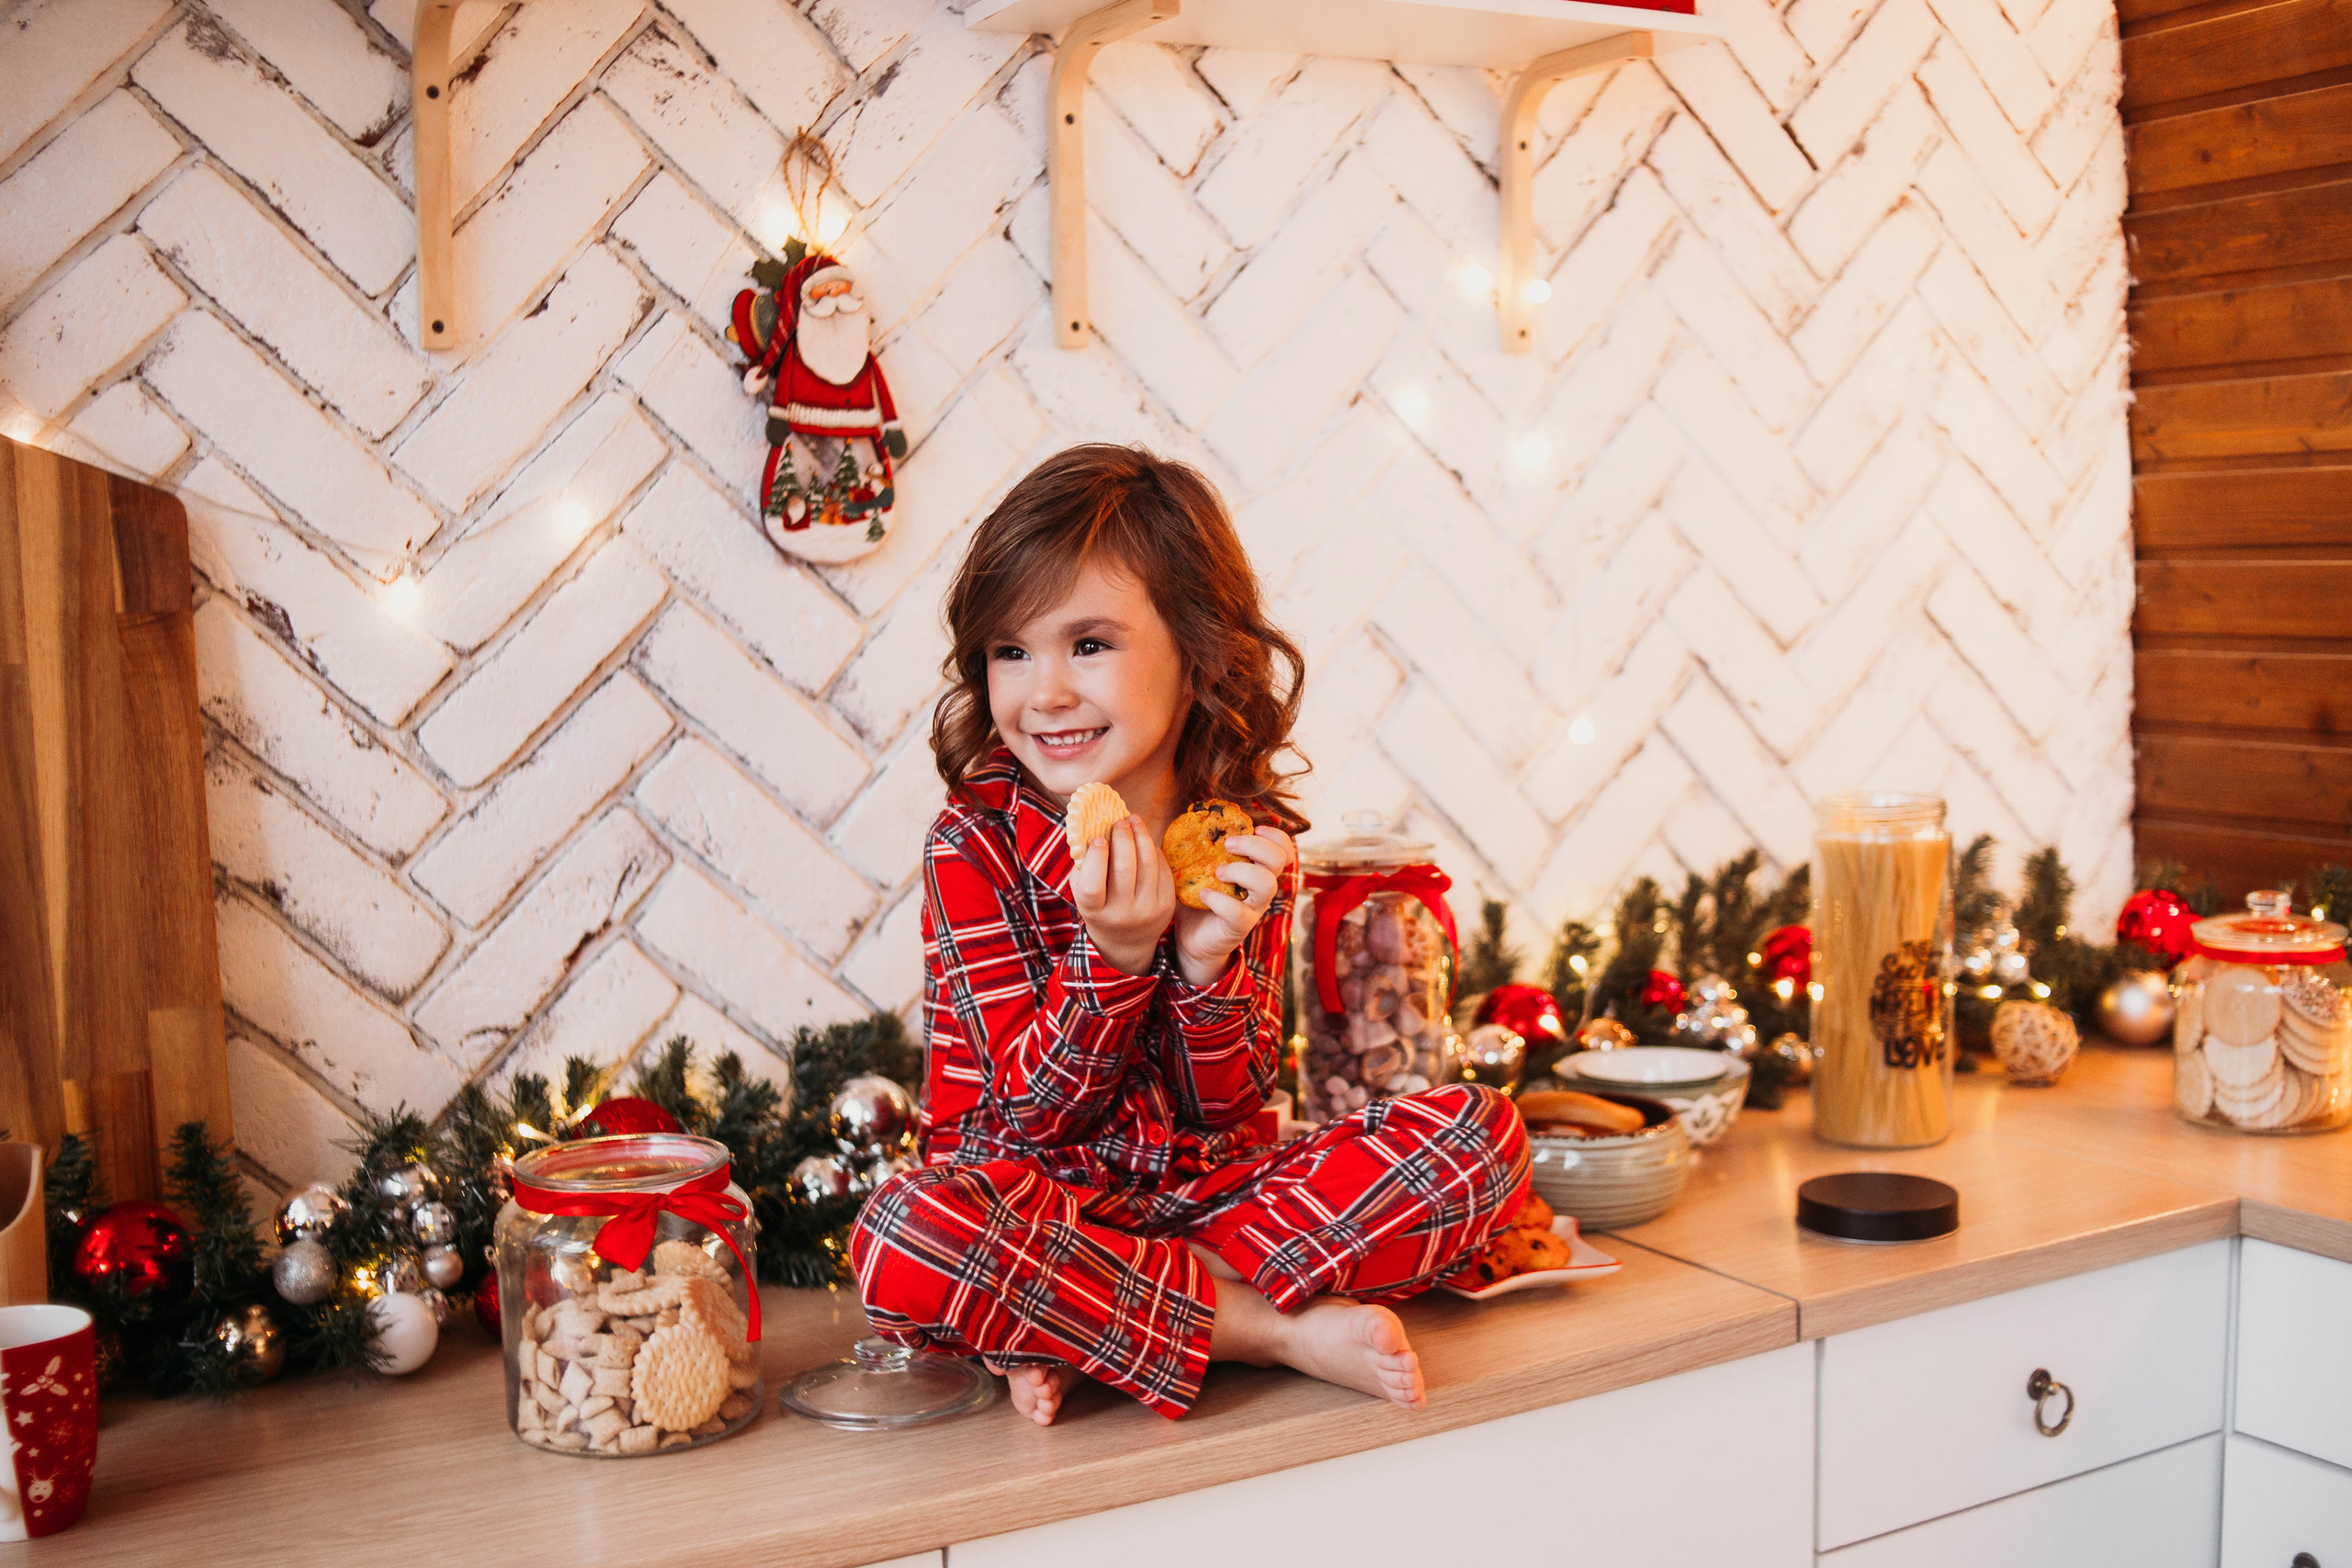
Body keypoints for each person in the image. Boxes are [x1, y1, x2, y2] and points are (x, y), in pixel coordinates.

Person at [851, 445, 1529, 1427]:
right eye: (1011, 651)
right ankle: (1268, 1331)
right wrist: (1116, 959)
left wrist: (1205, 964)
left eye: (1087, 644)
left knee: (1483, 1139)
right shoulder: (974, 843)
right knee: (902, 1238)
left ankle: (1099, 1326)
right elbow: (1027, 1122)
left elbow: (1231, 1107)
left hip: (1217, 1201)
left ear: (1197, 647)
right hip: (1035, 1209)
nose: (1043, 692)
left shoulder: (1245, 841)